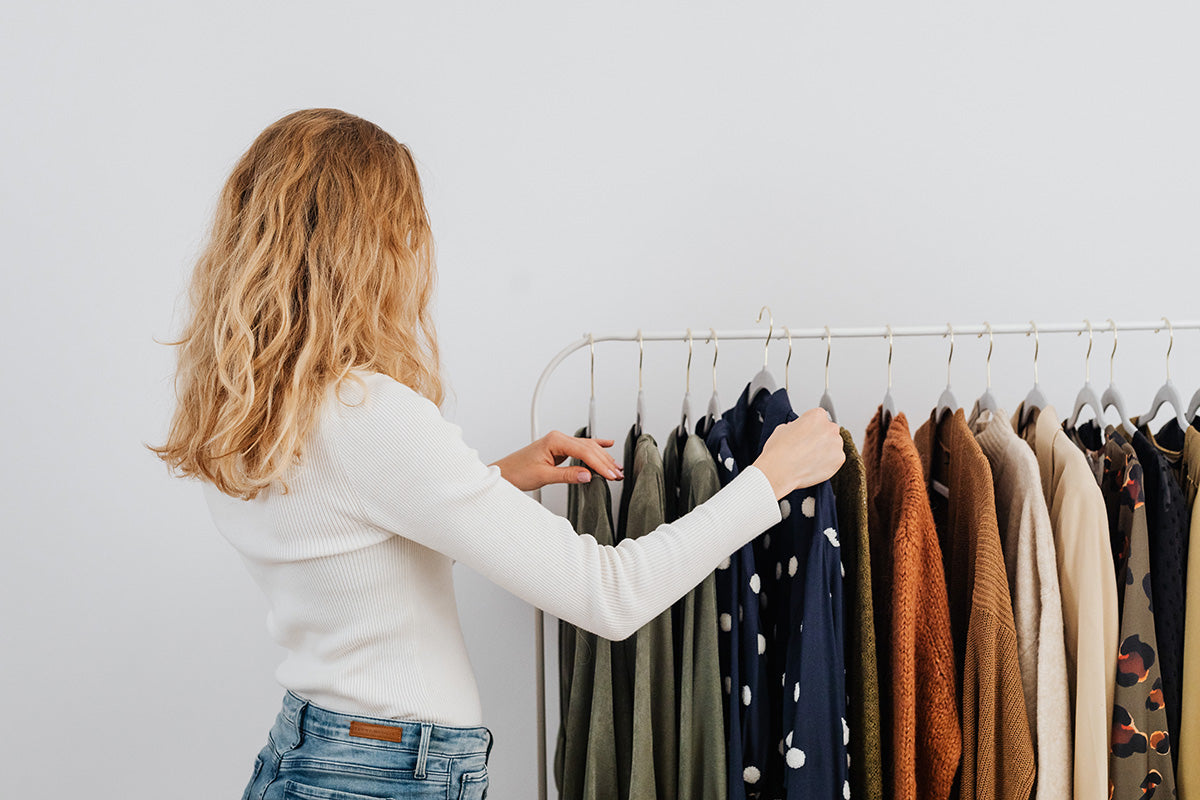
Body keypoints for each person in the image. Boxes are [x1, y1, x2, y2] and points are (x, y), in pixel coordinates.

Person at [150, 108, 846, 800]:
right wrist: (769, 479)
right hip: (388, 776)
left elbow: (353, 555)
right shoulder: (368, 415)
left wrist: (499, 478)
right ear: (369, 250)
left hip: (305, 758)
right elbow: (609, 594)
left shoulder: (249, 413)